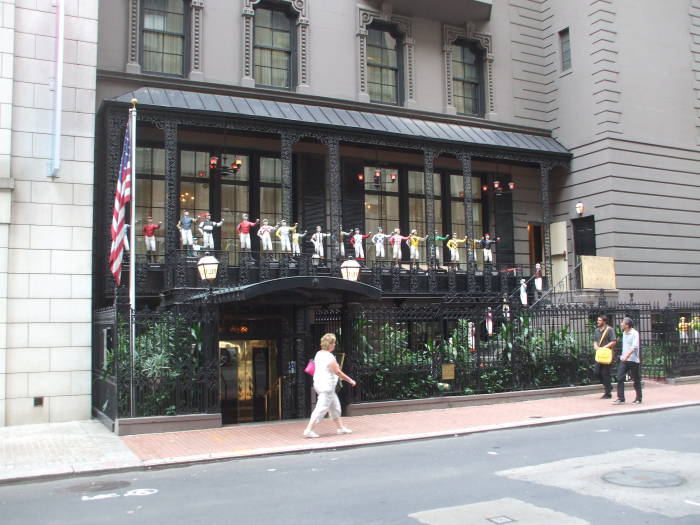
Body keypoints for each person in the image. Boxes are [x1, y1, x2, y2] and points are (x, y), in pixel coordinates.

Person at [303, 333, 357, 438]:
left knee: (335, 408)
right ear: (330, 344)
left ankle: (341, 428)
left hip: (321, 385)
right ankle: (308, 430)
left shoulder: (318, 354)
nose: (335, 345)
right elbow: (338, 372)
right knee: (321, 408)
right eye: (334, 343)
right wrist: (350, 380)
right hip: (327, 387)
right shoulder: (329, 357)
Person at [613, 317, 642, 404]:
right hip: (624, 360)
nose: (621, 324)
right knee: (620, 377)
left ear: (627, 325)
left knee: (636, 379)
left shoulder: (635, 333)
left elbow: (634, 347)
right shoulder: (624, 333)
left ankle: (638, 398)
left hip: (633, 360)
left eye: (623, 323)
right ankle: (621, 398)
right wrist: (623, 356)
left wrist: (626, 356)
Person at [593, 315, 616, 399]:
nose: (598, 322)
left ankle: (608, 393)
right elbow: (595, 341)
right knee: (596, 372)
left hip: (606, 354)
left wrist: (604, 347)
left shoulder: (610, 330)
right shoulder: (596, 330)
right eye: (598, 320)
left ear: (604, 321)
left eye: (599, 320)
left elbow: (613, 341)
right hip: (599, 354)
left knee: (605, 374)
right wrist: (595, 346)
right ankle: (608, 386)